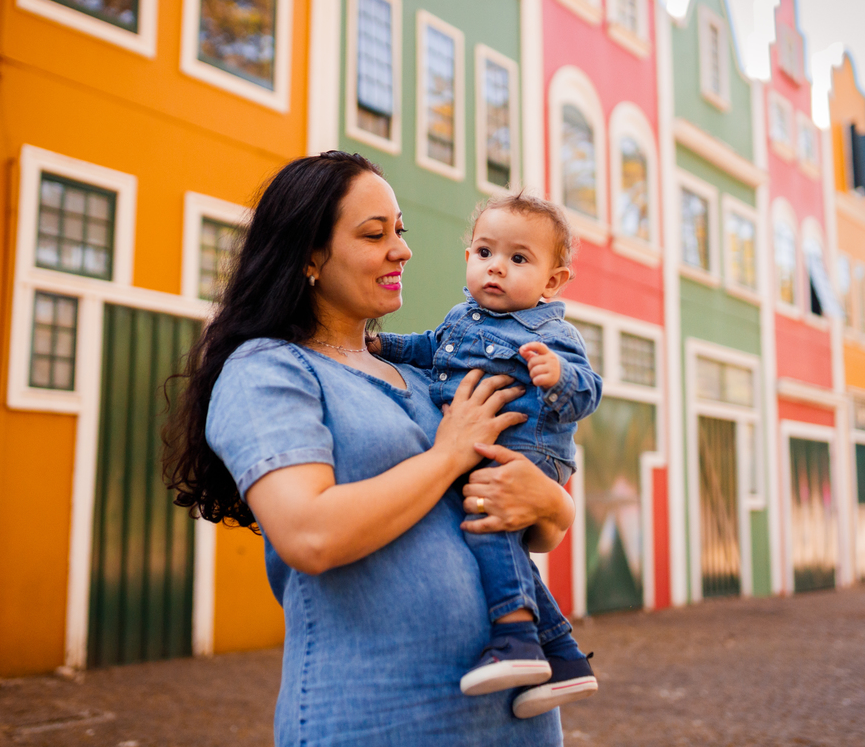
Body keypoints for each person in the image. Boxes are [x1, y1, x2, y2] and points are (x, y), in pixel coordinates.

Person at [163, 151, 575, 746]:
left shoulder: (426, 378)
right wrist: (447, 456)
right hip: (378, 717)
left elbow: (519, 526)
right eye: (374, 234)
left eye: (399, 231)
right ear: (307, 255)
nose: (402, 250)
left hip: (512, 719)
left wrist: (553, 507)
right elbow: (310, 534)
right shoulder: (271, 370)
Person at [373, 192, 602, 718]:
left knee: (485, 522)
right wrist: (383, 347)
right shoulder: (462, 316)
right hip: (487, 448)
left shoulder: (550, 333)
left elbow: (588, 390)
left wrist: (558, 375)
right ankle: (565, 659)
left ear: (552, 282)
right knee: (501, 537)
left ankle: (516, 634)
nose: (496, 267)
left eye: (518, 259)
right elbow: (431, 346)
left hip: (529, 451)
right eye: (483, 252)